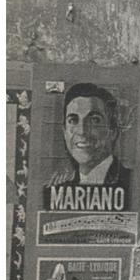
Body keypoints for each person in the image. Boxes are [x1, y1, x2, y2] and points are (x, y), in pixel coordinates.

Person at [45, 83, 131, 211]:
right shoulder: (56, 192)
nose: (82, 131)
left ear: (113, 131)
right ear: (64, 132)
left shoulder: (133, 184)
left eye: (94, 120)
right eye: (73, 120)